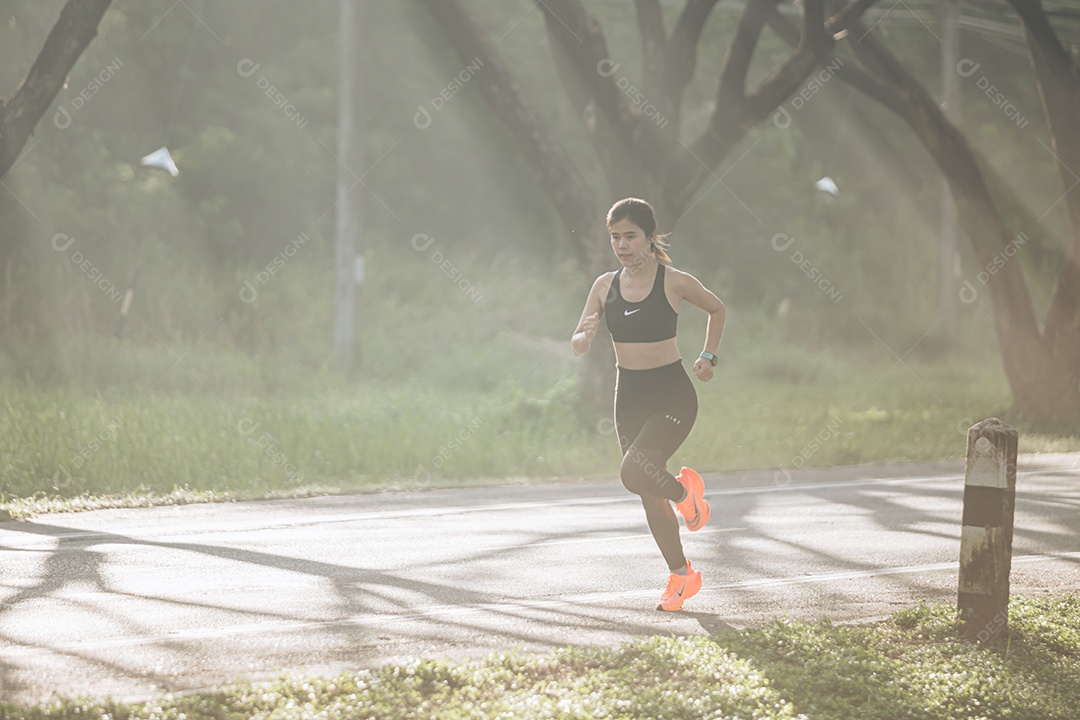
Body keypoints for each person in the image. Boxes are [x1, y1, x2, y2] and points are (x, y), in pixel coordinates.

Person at [571, 198, 725, 612]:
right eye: (615, 237)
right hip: (630, 396)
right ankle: (681, 575)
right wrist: (583, 337)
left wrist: (708, 356)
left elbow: (716, 308)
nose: (622, 245)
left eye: (630, 236)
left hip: (672, 394)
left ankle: (685, 498)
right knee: (643, 487)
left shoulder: (673, 281)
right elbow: (578, 340)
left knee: (633, 473)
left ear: (649, 236)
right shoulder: (604, 286)